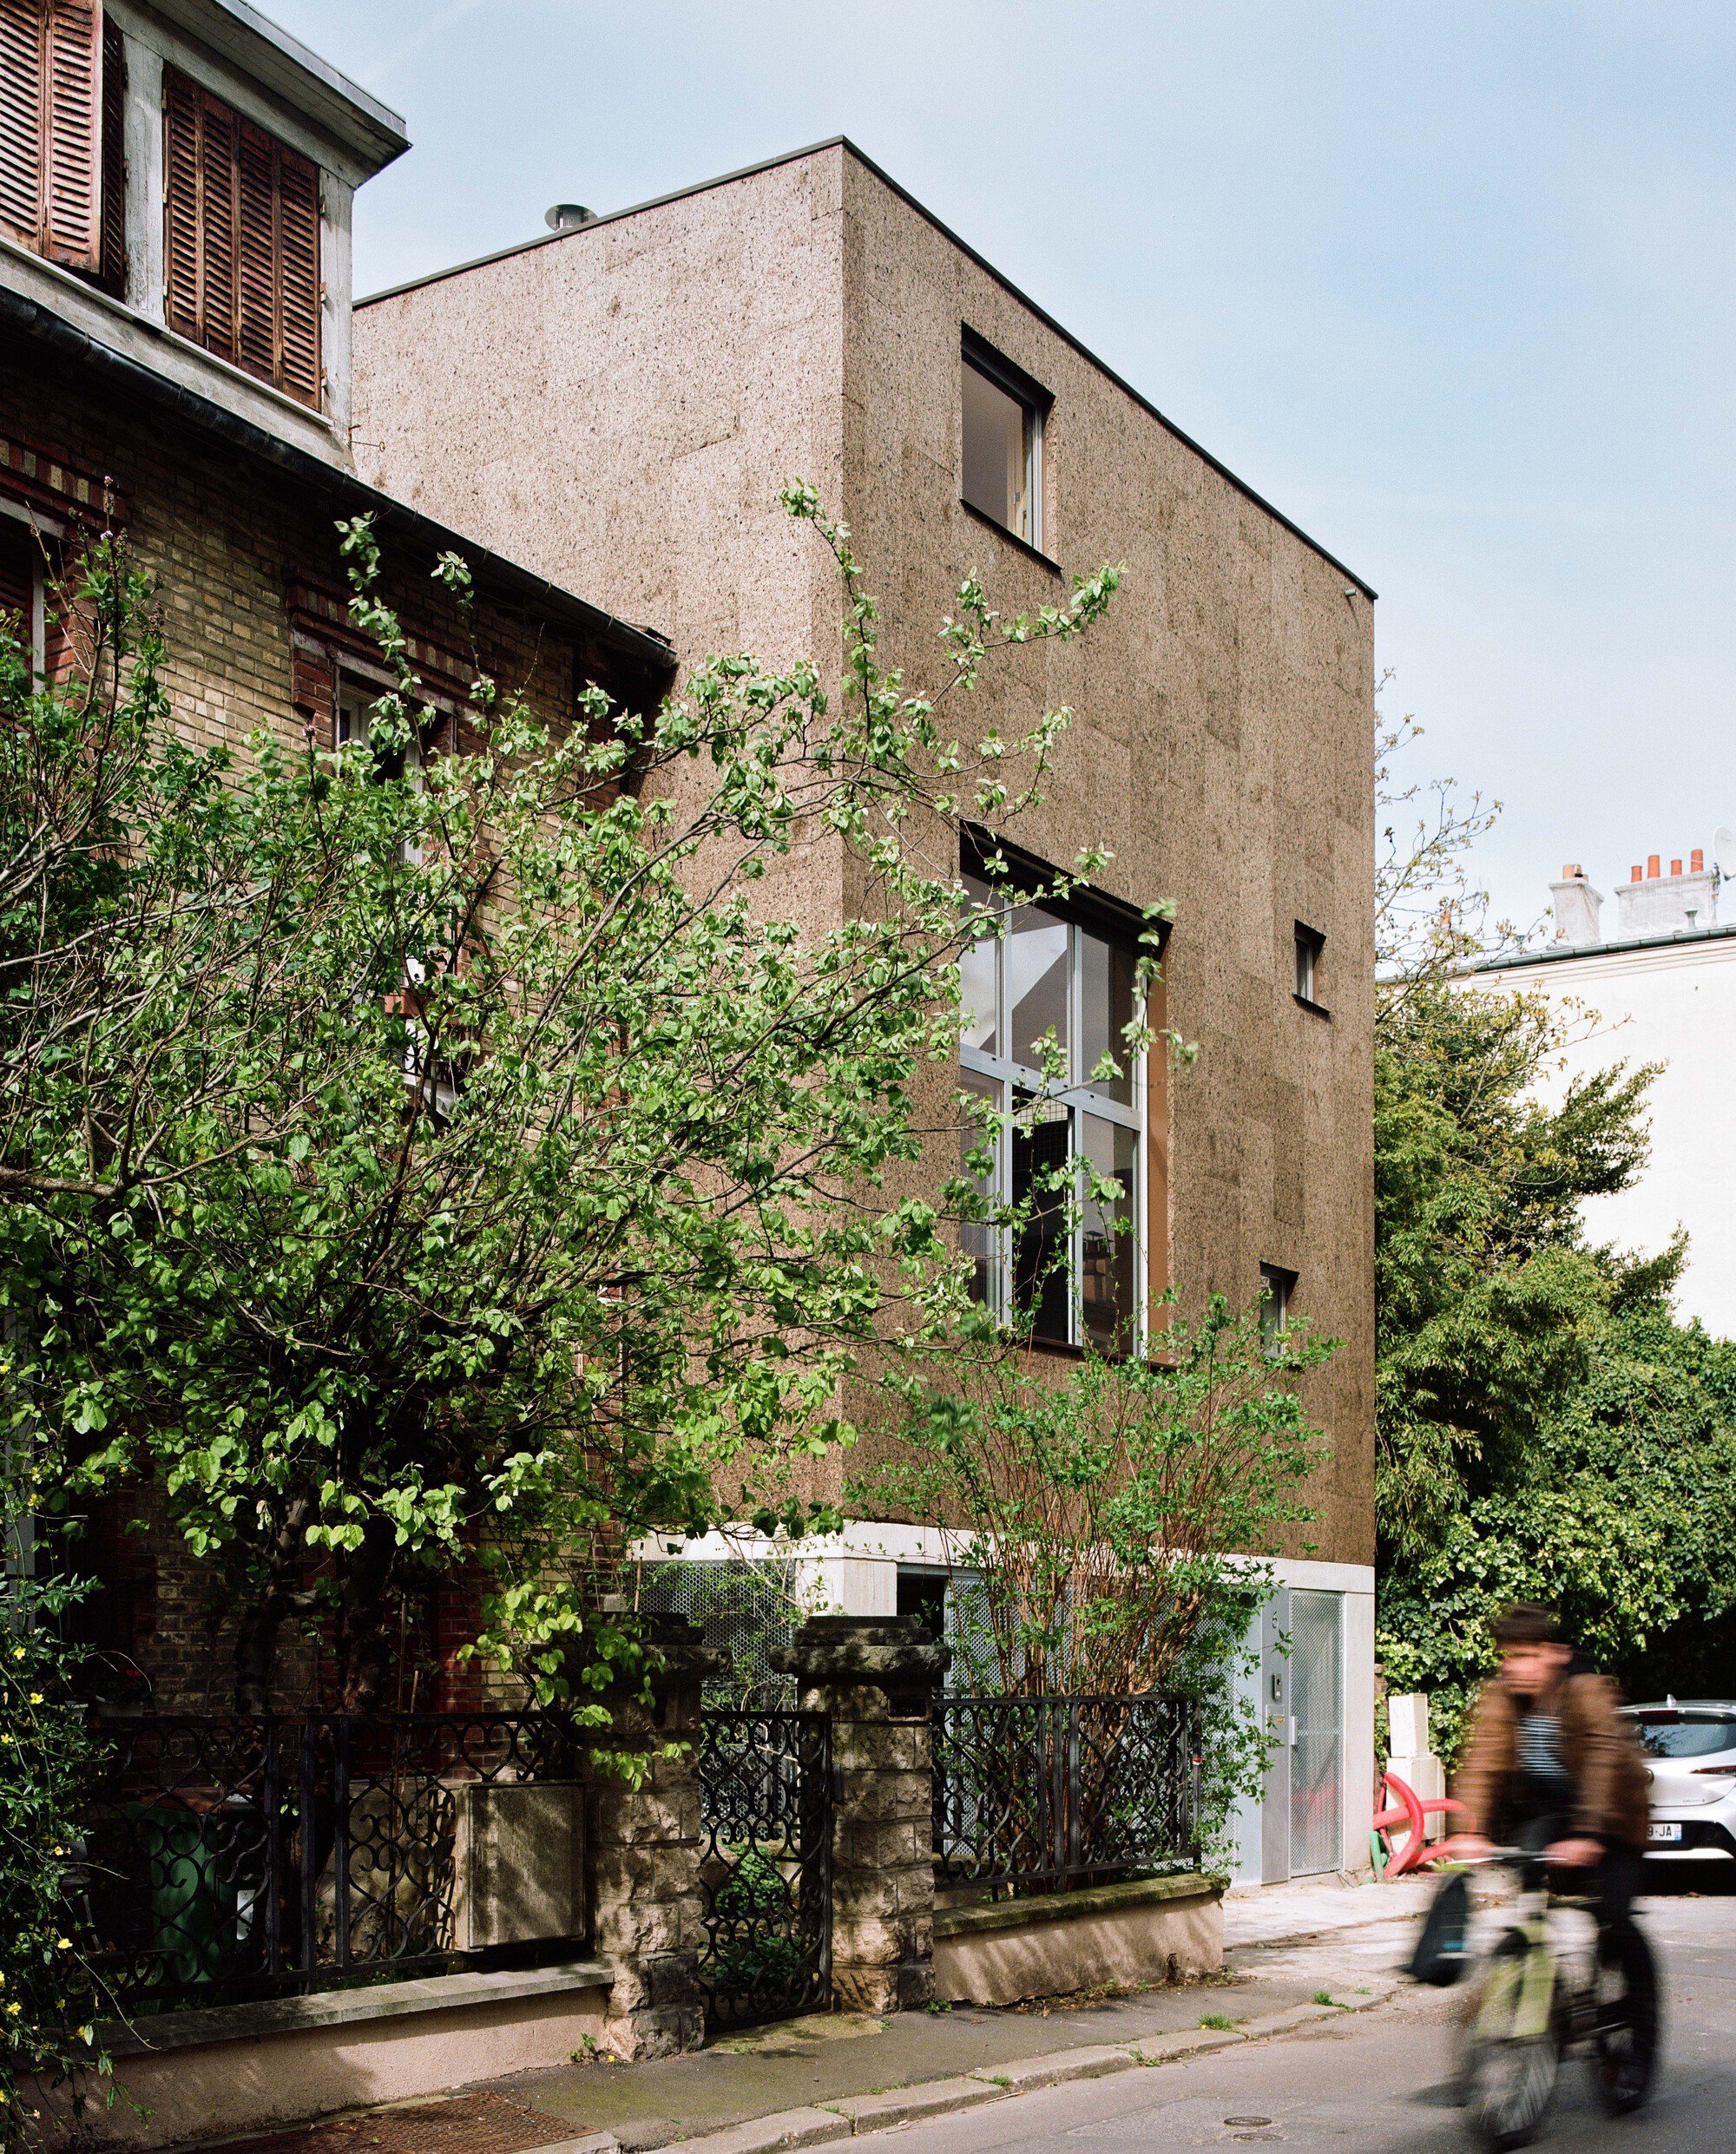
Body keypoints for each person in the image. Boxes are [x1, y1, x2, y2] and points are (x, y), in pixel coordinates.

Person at [1454, 1602, 1656, 2040]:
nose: (1515, 1668)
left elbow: (1604, 1758)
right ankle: (1536, 1977)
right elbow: (1481, 1762)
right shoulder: (1503, 1699)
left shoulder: (1588, 1692)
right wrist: (1470, 1833)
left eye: (1527, 1655)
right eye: (1508, 1656)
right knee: (1528, 1884)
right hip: (1549, 1813)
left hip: (1612, 1817)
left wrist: (1588, 1833)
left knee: (1615, 1917)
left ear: (1557, 1653)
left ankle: (1639, 2017)